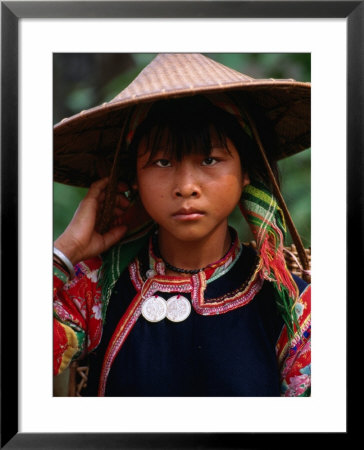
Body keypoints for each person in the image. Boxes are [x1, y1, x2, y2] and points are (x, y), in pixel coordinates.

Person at [53, 53, 311, 397]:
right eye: (162, 161)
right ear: (135, 178)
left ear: (246, 170)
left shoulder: (292, 307)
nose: (186, 186)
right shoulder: (97, 288)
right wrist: (65, 251)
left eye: (209, 160)